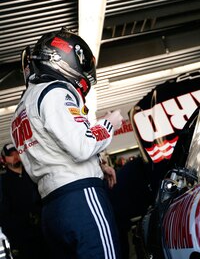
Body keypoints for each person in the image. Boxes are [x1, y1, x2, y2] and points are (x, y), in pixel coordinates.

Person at [10, 28, 124, 258]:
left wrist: (99, 164)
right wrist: (109, 124)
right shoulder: (54, 91)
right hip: (80, 199)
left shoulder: (20, 111)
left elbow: (53, 151)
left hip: (52, 209)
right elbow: (81, 145)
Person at [0, 143, 48, 258]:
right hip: (22, 238)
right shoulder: (3, 182)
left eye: (17, 153)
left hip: (45, 232)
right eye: (11, 155)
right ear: (4, 159)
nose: (15, 156)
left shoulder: (33, 174)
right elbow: (3, 213)